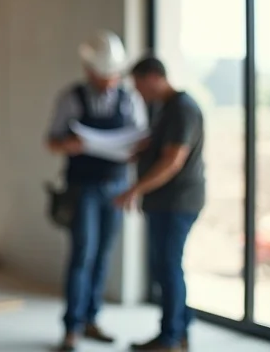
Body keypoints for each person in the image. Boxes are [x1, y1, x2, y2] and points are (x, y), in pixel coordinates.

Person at [45, 30, 148, 351]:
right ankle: (72, 326)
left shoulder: (130, 99)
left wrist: (135, 151)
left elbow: (141, 138)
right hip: (82, 187)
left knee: (103, 255)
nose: (110, 80)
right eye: (104, 75)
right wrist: (70, 145)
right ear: (89, 70)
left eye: (114, 74)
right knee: (82, 255)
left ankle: (92, 318)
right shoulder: (70, 98)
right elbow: (50, 142)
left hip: (116, 185)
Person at [115, 56, 205, 352]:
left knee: (168, 267)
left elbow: (173, 161)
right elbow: (161, 149)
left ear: (154, 77)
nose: (139, 92)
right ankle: (177, 332)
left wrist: (135, 189)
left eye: (139, 84)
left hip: (177, 203)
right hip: (163, 203)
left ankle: (171, 338)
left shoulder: (182, 110)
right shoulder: (165, 109)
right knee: (165, 267)